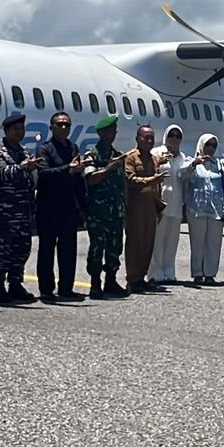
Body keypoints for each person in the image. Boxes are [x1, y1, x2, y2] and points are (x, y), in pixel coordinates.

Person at [0, 112, 41, 304]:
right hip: (6, 212)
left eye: (21, 129)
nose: (19, 133)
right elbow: (2, 173)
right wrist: (25, 166)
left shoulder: (23, 151)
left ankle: (16, 283)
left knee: (22, 248)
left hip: (23, 211)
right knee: (3, 249)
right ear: (6, 131)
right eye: (15, 129)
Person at [35, 111, 86, 303]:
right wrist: (68, 169)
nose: (64, 128)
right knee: (46, 249)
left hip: (68, 208)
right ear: (52, 127)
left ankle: (66, 288)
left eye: (67, 125)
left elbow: (78, 179)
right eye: (59, 124)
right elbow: (44, 174)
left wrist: (82, 206)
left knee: (68, 250)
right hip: (48, 207)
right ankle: (46, 290)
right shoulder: (45, 149)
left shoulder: (73, 148)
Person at [83, 114, 127, 299]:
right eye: (108, 131)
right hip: (98, 212)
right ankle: (95, 284)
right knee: (97, 247)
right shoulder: (92, 154)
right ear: (100, 132)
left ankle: (111, 280)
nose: (112, 134)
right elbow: (91, 179)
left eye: (114, 131)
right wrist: (109, 167)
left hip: (115, 211)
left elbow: (122, 184)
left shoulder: (118, 155)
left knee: (115, 247)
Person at [123, 125, 169, 294]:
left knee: (148, 243)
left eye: (151, 138)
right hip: (136, 207)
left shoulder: (153, 159)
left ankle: (141, 277)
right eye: (145, 138)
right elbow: (131, 179)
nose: (149, 141)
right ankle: (132, 278)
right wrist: (151, 180)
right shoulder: (131, 158)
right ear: (137, 139)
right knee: (135, 243)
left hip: (150, 207)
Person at [182, 133, 224, 283]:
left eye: (213, 145)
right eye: (207, 145)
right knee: (197, 242)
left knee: (214, 242)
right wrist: (194, 164)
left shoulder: (220, 164)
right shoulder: (191, 162)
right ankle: (197, 273)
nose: (210, 148)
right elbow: (183, 176)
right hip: (197, 208)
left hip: (216, 209)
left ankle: (210, 273)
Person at [149, 124, 189, 284]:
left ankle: (168, 271)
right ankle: (154, 272)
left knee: (172, 240)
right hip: (161, 202)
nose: (174, 138)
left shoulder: (182, 157)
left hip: (176, 202)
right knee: (157, 240)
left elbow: (184, 178)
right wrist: (158, 162)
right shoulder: (156, 153)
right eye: (171, 135)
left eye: (178, 136)